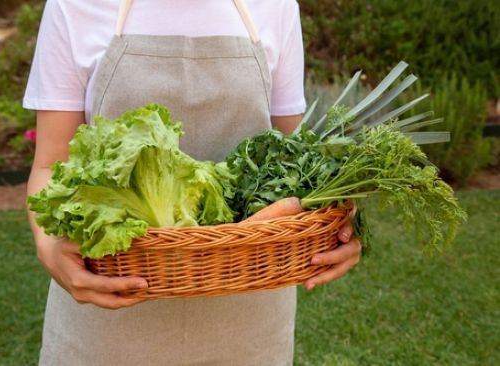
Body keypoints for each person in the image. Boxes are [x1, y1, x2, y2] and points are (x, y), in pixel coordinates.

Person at [24, 0, 362, 365]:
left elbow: (296, 161)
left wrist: (339, 224)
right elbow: (50, 165)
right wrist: (49, 246)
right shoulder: (74, 6)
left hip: (249, 318)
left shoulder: (274, 6)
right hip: (108, 313)